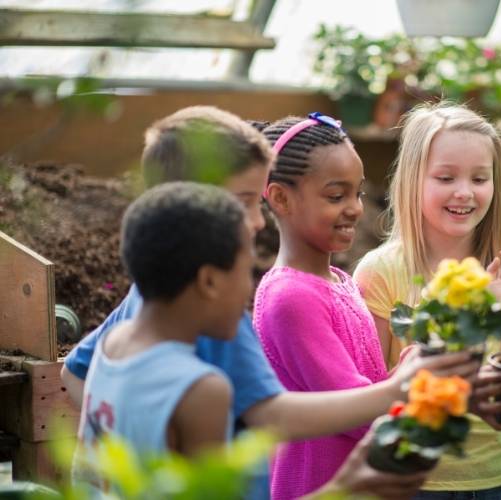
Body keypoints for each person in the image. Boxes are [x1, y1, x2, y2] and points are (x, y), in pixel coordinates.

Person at [61, 105, 477, 499]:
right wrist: (400, 391)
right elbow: (272, 417)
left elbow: (76, 371)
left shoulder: (141, 310)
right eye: (244, 201)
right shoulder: (219, 329)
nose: (258, 218)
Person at [253, 112, 482, 499]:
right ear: (279, 197)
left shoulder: (339, 281)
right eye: (335, 196)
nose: (355, 208)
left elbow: (371, 386)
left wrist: (408, 368)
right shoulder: (291, 297)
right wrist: (419, 382)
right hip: (320, 483)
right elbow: (358, 412)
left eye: (357, 193)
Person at [354, 102, 501, 500]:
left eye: (480, 178)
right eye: (445, 177)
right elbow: (370, 397)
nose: (465, 192)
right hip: (416, 481)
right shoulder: (380, 272)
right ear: (412, 180)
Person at [74, 181, 252, 493]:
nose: (249, 288)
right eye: (248, 270)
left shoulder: (111, 345)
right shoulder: (202, 389)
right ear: (208, 280)